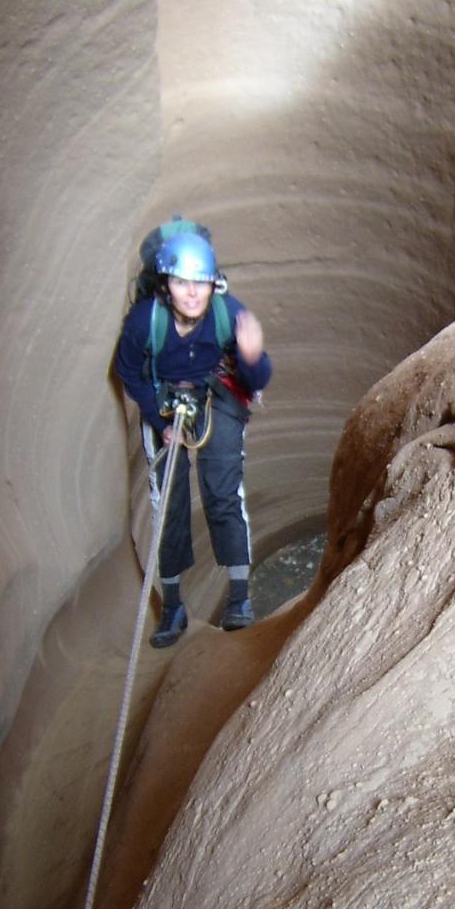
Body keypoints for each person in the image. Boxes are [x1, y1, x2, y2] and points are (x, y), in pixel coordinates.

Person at [114, 227, 272, 646]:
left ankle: (239, 599)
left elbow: (256, 376)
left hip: (215, 393)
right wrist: (158, 420)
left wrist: (252, 356)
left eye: (199, 283)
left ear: (213, 283)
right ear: (166, 284)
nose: (191, 293)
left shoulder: (228, 313)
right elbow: (128, 372)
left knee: (223, 490)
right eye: (182, 282)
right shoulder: (145, 321)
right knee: (168, 501)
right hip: (163, 400)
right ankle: (173, 607)